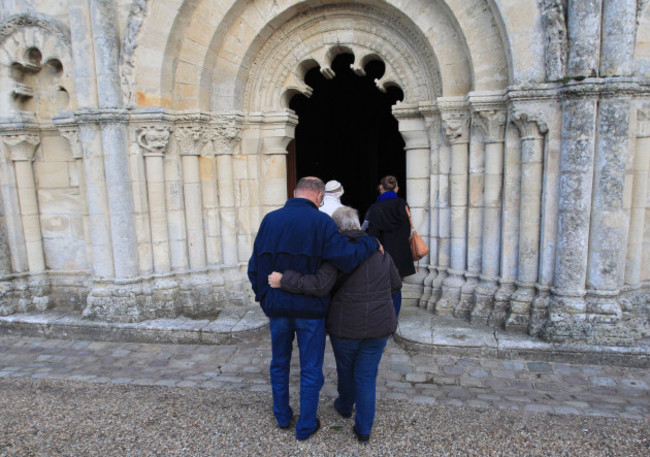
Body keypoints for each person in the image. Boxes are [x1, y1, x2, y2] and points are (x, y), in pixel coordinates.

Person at [248, 177, 379, 441]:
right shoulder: (322, 222)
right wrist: (372, 242)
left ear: (295, 193)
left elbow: (254, 268)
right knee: (309, 368)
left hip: (279, 308)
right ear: (319, 197)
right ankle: (306, 425)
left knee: (279, 363)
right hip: (311, 311)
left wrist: (265, 300)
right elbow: (348, 257)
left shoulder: (270, 220)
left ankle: (282, 415)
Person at [268, 206, 401, 444]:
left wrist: (283, 279)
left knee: (347, 369)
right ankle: (363, 429)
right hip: (380, 326)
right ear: (357, 224)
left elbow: (319, 286)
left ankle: (344, 405)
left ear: (336, 229)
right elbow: (395, 285)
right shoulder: (381, 251)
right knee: (367, 376)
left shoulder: (337, 255)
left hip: (346, 325)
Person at [363, 175, 415, 316]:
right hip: (401, 253)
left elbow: (372, 234)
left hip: (382, 254)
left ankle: (383, 318)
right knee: (396, 287)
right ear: (396, 189)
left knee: (380, 288)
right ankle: (393, 319)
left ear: (381, 187)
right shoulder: (402, 204)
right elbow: (407, 229)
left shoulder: (375, 208)